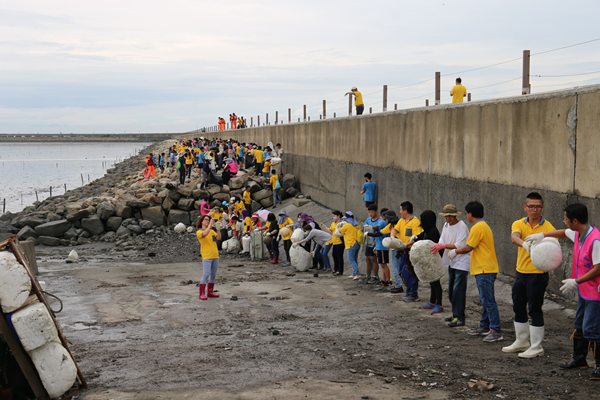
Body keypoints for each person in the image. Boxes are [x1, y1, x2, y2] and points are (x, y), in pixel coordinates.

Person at [525, 203, 600, 379]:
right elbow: (562, 233)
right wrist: (541, 235)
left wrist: (576, 281)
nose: (564, 222)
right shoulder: (579, 234)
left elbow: (598, 268)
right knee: (580, 326)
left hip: (595, 293)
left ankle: (599, 366)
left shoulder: (595, 240)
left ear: (575, 220)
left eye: (566, 219)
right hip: (584, 292)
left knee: (592, 329)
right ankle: (579, 359)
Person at [501, 192, 555, 358]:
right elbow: (514, 237)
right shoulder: (519, 223)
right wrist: (524, 244)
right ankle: (521, 341)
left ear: (543, 207)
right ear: (525, 207)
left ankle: (536, 346)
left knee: (535, 308)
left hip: (538, 274)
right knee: (518, 306)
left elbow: (554, 248)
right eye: (531, 206)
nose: (535, 209)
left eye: (538, 206)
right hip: (521, 273)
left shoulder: (548, 227)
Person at [449, 201, 503, 342]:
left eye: (466, 213)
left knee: (487, 300)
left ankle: (496, 330)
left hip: (484, 269)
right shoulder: (483, 226)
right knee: (485, 299)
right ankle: (485, 325)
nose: (466, 215)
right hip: (486, 268)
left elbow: (468, 247)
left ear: (470, 214)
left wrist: (455, 251)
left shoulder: (477, 227)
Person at [431, 204, 471, 327]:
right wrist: (438, 246)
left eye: (450, 216)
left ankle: (460, 317)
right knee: (451, 290)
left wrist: (443, 246)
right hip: (451, 260)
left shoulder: (462, 226)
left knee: (458, 290)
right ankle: (455, 314)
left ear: (455, 216)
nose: (448, 218)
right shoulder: (446, 225)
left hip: (461, 260)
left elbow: (460, 244)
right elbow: (442, 239)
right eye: (446, 216)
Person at [390, 202, 422, 301]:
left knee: (412, 272)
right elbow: (394, 231)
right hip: (403, 250)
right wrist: (392, 238)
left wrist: (406, 245)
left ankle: (413, 294)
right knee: (404, 271)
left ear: (405, 211)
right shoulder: (401, 221)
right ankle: (408, 292)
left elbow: (416, 237)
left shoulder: (415, 222)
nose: (399, 212)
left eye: (400, 210)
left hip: (411, 250)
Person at [413, 210, 443, 314]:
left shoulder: (433, 232)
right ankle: (432, 301)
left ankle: (439, 304)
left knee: (436, 282)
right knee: (431, 282)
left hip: (433, 260)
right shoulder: (427, 230)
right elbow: (421, 236)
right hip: (428, 261)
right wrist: (415, 238)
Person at [196, 215, 222, 300]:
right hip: (207, 256)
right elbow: (204, 234)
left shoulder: (211, 231)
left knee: (213, 275)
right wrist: (211, 224)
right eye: (206, 220)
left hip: (215, 255)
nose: (208, 221)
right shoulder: (199, 232)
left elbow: (218, 238)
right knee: (206, 274)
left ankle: (210, 292)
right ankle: (202, 293)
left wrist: (218, 229)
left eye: (209, 220)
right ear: (201, 221)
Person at [363, 204, 384, 284]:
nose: (370, 214)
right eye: (369, 212)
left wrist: (371, 228)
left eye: (372, 212)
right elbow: (364, 227)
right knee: (367, 259)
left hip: (374, 243)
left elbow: (378, 229)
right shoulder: (368, 220)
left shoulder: (379, 221)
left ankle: (375, 276)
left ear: (376, 212)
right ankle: (367, 275)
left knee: (374, 259)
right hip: (367, 242)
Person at [339, 211, 361, 279]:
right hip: (357, 243)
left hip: (350, 244)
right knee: (355, 259)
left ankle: (357, 273)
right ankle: (354, 273)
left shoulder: (347, 225)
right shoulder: (356, 225)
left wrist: (340, 224)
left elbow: (340, 230)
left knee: (351, 260)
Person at [322, 211, 345, 275]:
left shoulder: (342, 223)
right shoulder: (333, 223)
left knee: (339, 256)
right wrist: (324, 227)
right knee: (334, 255)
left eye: (334, 216)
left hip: (340, 242)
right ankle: (335, 268)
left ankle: (340, 271)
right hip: (334, 242)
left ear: (338, 216)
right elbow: (330, 230)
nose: (333, 217)